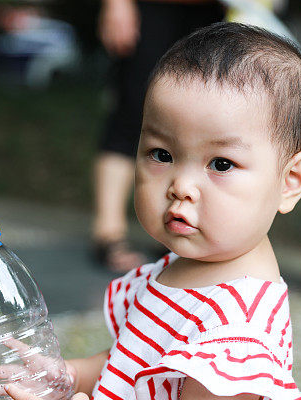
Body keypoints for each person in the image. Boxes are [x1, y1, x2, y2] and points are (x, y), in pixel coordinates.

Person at [0, 21, 301, 400]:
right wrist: (69, 375)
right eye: (161, 155)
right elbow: (135, 361)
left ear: (290, 181)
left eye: (221, 163)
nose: (181, 186)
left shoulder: (238, 322)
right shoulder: (180, 271)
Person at [92, 0, 224, 272]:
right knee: (132, 114)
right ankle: (108, 233)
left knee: (199, 121)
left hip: (215, 10)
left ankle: (180, 229)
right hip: (152, 8)